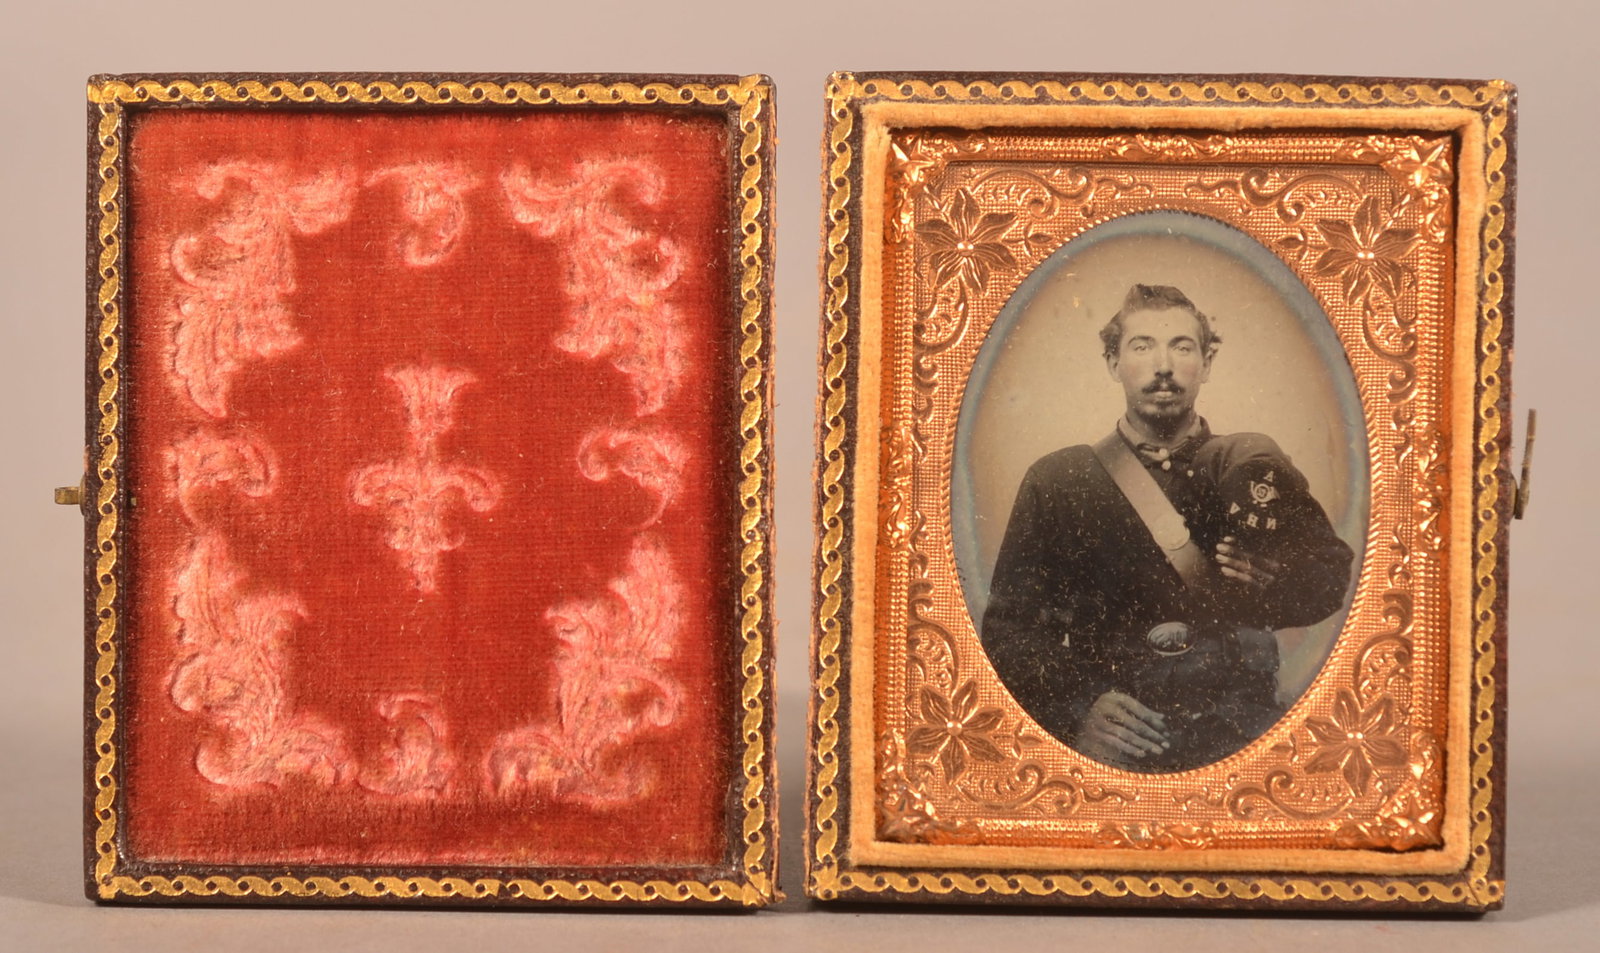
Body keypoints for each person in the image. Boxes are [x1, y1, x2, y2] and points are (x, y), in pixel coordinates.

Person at [980, 284, 1355, 772]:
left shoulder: (1251, 468)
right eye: (1142, 346)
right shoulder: (1059, 480)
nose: (1164, 365)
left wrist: (1275, 578)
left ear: (1207, 362)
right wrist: (1080, 709)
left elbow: (1329, 578)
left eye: (1182, 346)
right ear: (1114, 363)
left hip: (1239, 733)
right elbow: (1011, 631)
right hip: (1120, 742)